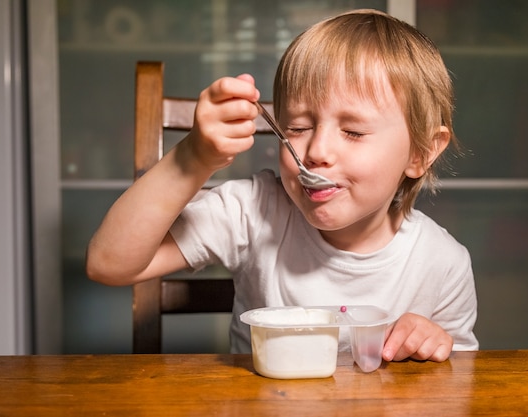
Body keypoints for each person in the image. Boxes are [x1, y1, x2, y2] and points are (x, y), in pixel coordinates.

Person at [86, 9, 478, 362]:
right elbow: (108, 264)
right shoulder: (254, 210)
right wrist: (193, 158)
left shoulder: (443, 264)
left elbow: (461, 378)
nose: (317, 151)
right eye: (297, 128)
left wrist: (434, 344)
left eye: (353, 131)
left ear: (421, 153)